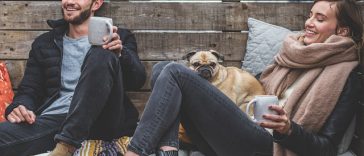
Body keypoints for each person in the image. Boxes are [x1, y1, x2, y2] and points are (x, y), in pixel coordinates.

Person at [124, 0, 363, 156]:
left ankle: (134, 152)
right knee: (162, 68)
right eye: (310, 15)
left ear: (341, 31)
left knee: (174, 72)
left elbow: (329, 149)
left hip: (268, 146)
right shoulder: (295, 54)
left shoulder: (345, 75)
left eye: (319, 19)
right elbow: (259, 87)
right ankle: (168, 151)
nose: (308, 23)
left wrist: (288, 130)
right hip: (242, 130)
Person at [0, 0, 146, 155]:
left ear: (96, 4)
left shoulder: (119, 37)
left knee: (103, 52)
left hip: (101, 118)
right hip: (56, 122)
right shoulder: (44, 43)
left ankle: (66, 145)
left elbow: (137, 81)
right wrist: (20, 106)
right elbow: (29, 90)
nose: (69, 1)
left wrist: (121, 54)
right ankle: (66, 139)